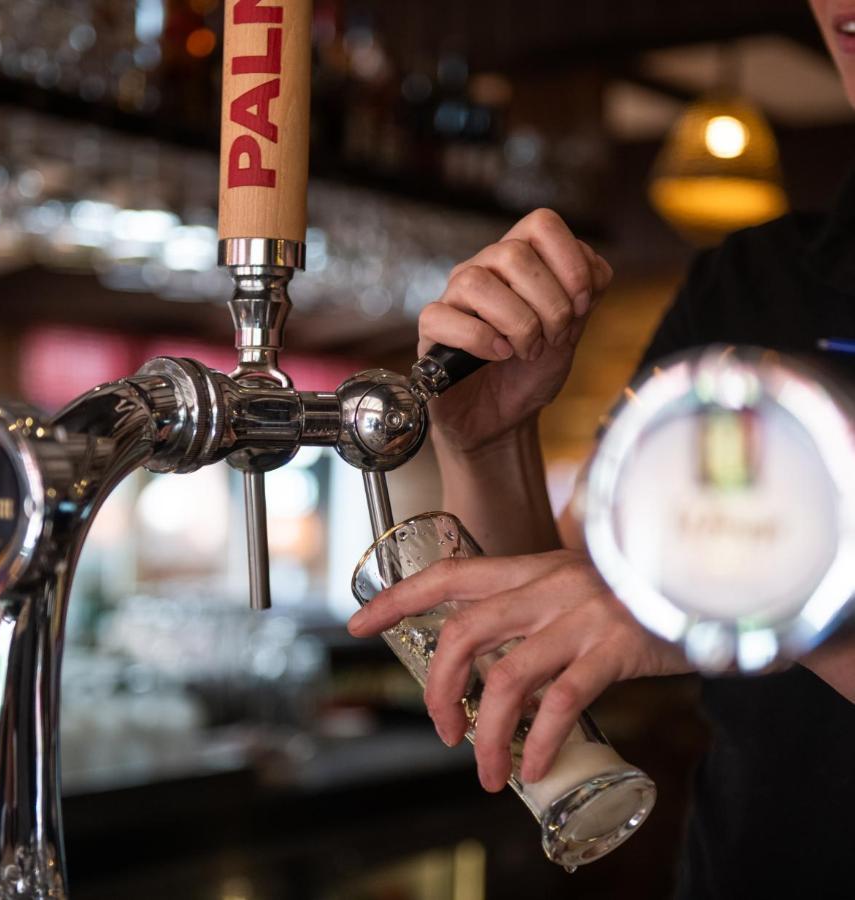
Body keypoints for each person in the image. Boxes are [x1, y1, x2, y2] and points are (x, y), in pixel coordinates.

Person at [347, 2, 855, 896]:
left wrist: (730, 593)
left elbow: (651, 599)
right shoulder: (752, 282)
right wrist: (492, 438)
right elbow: (571, 610)